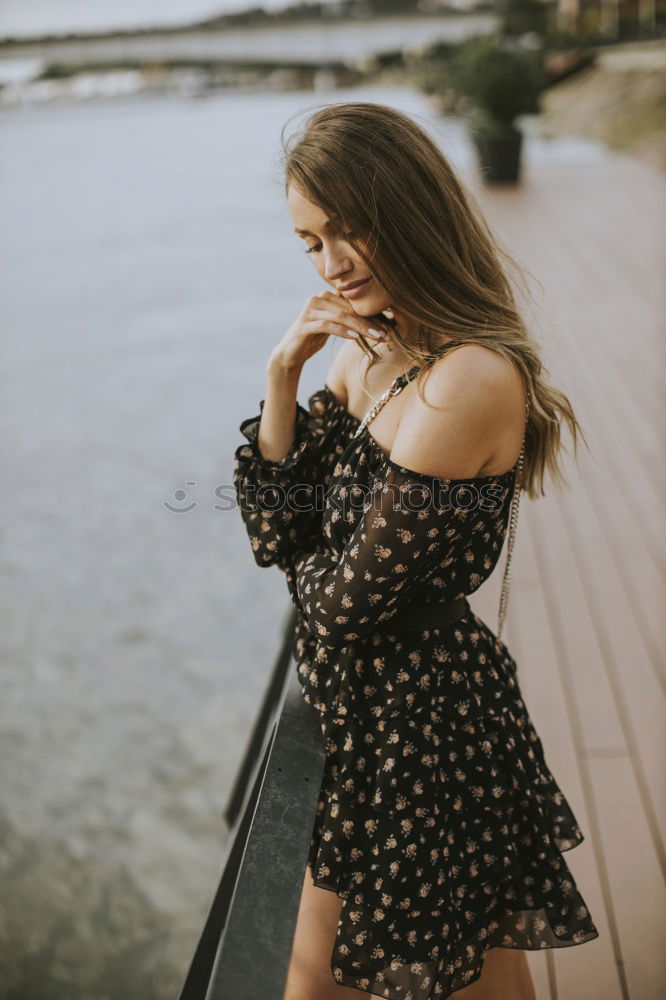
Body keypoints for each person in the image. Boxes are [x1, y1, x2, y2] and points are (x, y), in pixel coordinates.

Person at [232, 102, 599, 1000]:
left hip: (423, 730)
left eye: (350, 228)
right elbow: (278, 531)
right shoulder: (364, 357)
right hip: (361, 719)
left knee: (327, 979)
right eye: (310, 242)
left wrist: (315, 544)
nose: (332, 263)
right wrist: (282, 377)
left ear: (410, 211)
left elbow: (344, 601)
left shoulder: (468, 379)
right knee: (466, 972)